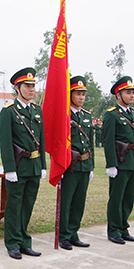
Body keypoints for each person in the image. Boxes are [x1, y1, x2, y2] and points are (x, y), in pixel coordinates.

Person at [0, 67, 47, 260]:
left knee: (28, 205)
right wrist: (9, 169)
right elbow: (5, 143)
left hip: (34, 166)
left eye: (33, 86)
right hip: (18, 167)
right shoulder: (9, 112)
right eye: (27, 86)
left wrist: (43, 165)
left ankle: (25, 242)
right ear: (17, 88)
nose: (31, 89)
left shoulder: (37, 110)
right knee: (14, 206)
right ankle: (12, 243)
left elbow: (41, 140)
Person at [102, 76, 134, 245]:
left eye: (133, 92)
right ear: (118, 95)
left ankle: (124, 228)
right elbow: (108, 141)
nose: (132, 95)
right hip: (120, 161)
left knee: (128, 197)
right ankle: (114, 230)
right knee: (117, 197)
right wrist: (111, 164)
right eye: (128, 92)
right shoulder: (111, 115)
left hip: (133, 161)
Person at [59, 76, 94, 250]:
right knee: (66, 202)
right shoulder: (63, 115)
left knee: (79, 201)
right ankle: (64, 235)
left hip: (85, 165)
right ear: (70, 95)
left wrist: (92, 166)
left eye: (83, 94)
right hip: (70, 165)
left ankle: (74, 233)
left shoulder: (87, 116)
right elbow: (59, 142)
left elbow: (91, 143)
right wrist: (60, 166)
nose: (81, 97)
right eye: (78, 94)